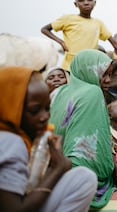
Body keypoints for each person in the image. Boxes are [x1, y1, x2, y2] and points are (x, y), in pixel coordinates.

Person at [0, 66, 97, 212]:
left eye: (47, 109)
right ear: (9, 106)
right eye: (34, 110)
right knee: (84, 179)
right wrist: (58, 169)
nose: (45, 117)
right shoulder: (12, 142)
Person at [49, 49, 116, 209]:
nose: (108, 81)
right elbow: (98, 152)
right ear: (88, 70)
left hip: (53, 167)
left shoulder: (60, 92)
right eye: (103, 74)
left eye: (110, 75)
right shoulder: (93, 92)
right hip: (81, 175)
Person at [40, 0, 117, 71]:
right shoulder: (67, 19)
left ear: (94, 3)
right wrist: (61, 42)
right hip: (70, 67)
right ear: (75, 4)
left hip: (89, 69)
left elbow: (115, 44)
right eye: (81, 0)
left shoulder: (98, 23)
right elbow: (44, 29)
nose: (86, 2)